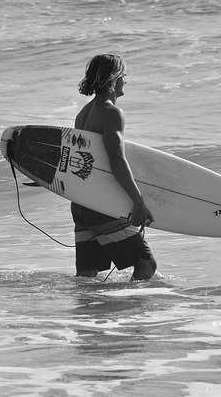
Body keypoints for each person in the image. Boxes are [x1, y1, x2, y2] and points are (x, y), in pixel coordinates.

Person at [72, 54, 157, 280]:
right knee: (145, 262)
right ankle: (132, 311)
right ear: (115, 78)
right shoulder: (111, 113)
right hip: (99, 205)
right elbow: (116, 161)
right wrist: (138, 202)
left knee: (88, 273)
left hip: (81, 202)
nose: (125, 82)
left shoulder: (83, 114)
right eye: (124, 77)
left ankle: (87, 311)